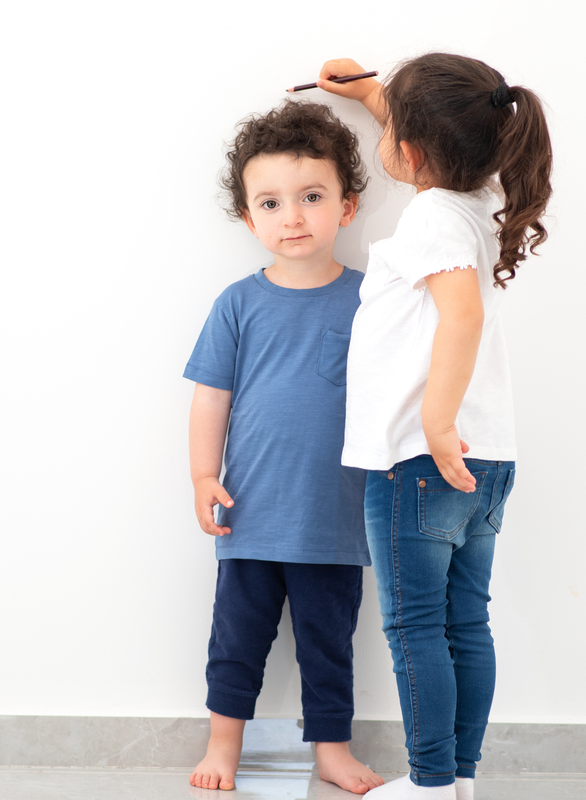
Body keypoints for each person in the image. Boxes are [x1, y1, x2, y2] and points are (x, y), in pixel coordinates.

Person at [317, 54, 553, 800]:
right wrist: (371, 95)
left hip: (423, 458)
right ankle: (456, 782)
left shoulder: (427, 216)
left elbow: (462, 313)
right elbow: (431, 136)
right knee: (463, 625)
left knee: (416, 629)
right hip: (486, 461)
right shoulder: (480, 196)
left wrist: (436, 421)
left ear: (415, 153)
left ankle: (425, 787)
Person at [185, 100, 385, 795]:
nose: (292, 216)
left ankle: (330, 750)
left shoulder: (371, 301)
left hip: (335, 519)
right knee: (236, 644)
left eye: (311, 197)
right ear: (249, 218)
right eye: (271, 202)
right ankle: (223, 744)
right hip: (250, 515)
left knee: (329, 648)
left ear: (347, 206)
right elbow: (211, 396)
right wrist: (203, 477)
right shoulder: (238, 304)